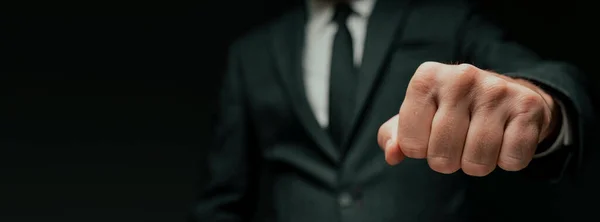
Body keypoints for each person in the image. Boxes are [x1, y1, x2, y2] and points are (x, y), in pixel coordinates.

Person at [192, 0, 594, 221]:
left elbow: (550, 78)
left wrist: (538, 105)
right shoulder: (252, 54)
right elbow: (223, 200)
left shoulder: (445, 19)